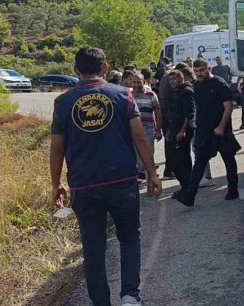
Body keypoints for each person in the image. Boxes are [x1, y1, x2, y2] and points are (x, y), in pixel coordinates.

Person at [49, 47, 162, 306]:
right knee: (130, 237)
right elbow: (138, 137)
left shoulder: (63, 103)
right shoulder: (123, 95)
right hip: (122, 181)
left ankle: (101, 302)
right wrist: (153, 173)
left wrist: (56, 185)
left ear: (75, 69)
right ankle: (130, 296)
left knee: (94, 248)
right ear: (106, 68)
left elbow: (57, 149)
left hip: (85, 185)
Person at [171, 59, 240, 206]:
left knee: (229, 160)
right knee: (200, 162)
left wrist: (221, 127)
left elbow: (228, 107)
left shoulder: (219, 84)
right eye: (196, 72)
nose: (199, 74)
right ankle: (189, 196)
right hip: (204, 131)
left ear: (208, 68)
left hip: (221, 130)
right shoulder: (196, 86)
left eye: (201, 71)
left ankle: (233, 189)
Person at [162, 69, 194, 188]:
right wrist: (170, 130)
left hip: (183, 131)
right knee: (175, 161)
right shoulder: (176, 91)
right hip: (174, 129)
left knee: (183, 159)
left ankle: (187, 186)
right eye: (170, 79)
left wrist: (183, 131)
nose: (171, 81)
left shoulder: (186, 91)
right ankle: (184, 185)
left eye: (174, 79)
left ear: (181, 79)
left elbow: (189, 114)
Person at [130, 73, 162, 181]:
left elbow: (157, 112)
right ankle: (139, 174)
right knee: (135, 153)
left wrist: (158, 130)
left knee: (148, 152)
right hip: (133, 130)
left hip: (148, 128)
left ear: (143, 82)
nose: (136, 84)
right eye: (134, 82)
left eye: (138, 82)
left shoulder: (151, 94)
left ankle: (150, 175)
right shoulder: (128, 95)